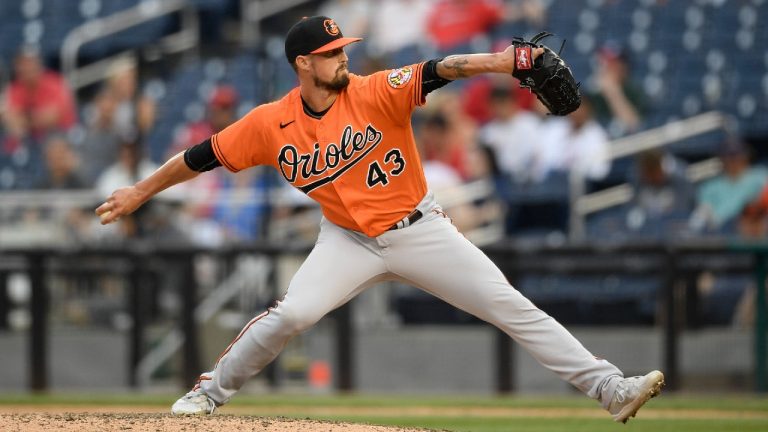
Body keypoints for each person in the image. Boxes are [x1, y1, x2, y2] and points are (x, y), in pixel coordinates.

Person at [95, 16, 664, 422]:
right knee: (291, 313)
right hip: (346, 240)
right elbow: (198, 157)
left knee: (511, 305)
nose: (344, 56)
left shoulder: (373, 90)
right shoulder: (270, 123)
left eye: (344, 48)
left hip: (421, 229)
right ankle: (208, 394)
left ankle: (611, 388)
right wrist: (140, 192)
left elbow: (445, 68)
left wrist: (510, 60)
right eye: (333, 51)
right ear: (304, 63)